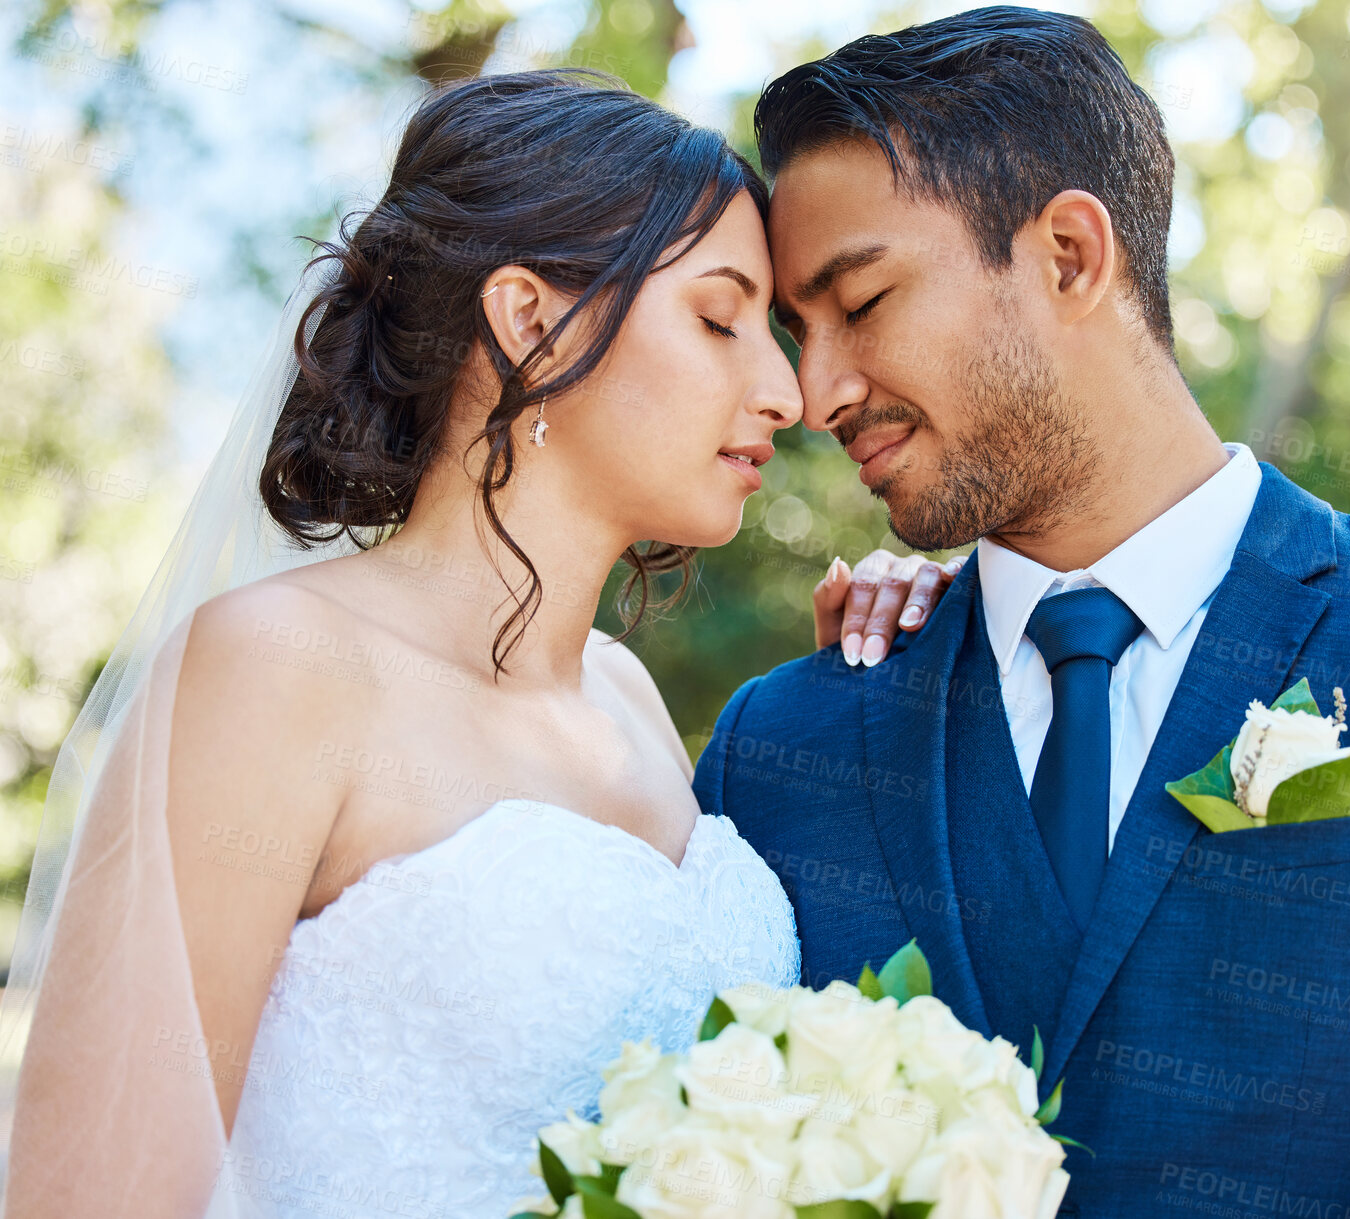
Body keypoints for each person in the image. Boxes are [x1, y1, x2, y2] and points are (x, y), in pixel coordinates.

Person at [695, 8, 1350, 1217]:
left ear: (1071, 257)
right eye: (795, 331)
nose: (814, 389)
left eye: (861, 302)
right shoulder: (783, 747)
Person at [0, 69, 948, 1218]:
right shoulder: (276, 667)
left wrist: (878, 677)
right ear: (528, 321)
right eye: (717, 318)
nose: (785, 391)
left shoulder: (630, 699)